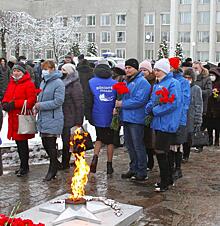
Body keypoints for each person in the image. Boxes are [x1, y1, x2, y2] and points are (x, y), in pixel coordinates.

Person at [145, 58, 181, 192]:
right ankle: (168, 178)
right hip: (158, 122)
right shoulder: (157, 83)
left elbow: (173, 103)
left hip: (167, 122)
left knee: (160, 151)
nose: (155, 72)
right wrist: (148, 108)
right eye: (155, 69)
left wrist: (155, 111)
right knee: (163, 151)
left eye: (158, 70)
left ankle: (165, 181)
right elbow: (153, 99)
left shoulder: (173, 83)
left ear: (165, 71)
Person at [117, 58, 151, 181]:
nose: (127, 70)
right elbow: (125, 96)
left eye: (130, 68)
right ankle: (133, 168)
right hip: (126, 117)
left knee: (138, 146)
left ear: (136, 68)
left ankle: (141, 171)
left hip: (136, 119)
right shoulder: (127, 81)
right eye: (126, 68)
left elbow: (140, 100)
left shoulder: (143, 82)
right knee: (130, 146)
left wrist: (122, 104)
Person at [2, 62, 37, 177]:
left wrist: (15, 104)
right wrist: (5, 103)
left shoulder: (28, 84)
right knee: (19, 143)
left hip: (22, 118)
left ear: (23, 72)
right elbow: (7, 96)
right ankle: (22, 166)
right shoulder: (12, 83)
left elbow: (31, 101)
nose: (16, 73)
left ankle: (25, 167)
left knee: (23, 144)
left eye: (18, 71)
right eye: (14, 71)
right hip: (13, 118)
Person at [34, 60, 65, 181]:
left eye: (47, 68)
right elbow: (41, 97)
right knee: (45, 144)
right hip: (43, 118)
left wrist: (40, 105)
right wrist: (36, 106)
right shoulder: (43, 82)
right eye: (43, 68)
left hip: (53, 118)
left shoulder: (58, 83)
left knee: (51, 145)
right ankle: (56, 163)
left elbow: (58, 101)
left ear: (53, 69)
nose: (45, 71)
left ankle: (52, 170)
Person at [85, 63, 117, 174]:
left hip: (97, 115)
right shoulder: (115, 83)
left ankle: (95, 157)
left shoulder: (91, 82)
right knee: (110, 141)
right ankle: (109, 165)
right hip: (111, 116)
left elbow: (88, 101)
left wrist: (89, 116)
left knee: (99, 138)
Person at [168, 57, 190, 180]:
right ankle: (170, 167)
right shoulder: (167, 79)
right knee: (169, 144)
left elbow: (185, 101)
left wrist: (179, 117)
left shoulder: (183, 82)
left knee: (177, 143)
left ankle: (177, 168)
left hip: (178, 117)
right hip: (168, 117)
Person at [61, 63, 84, 169]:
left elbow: (79, 103)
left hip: (71, 116)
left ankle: (70, 162)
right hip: (64, 116)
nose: (62, 72)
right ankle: (66, 162)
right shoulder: (62, 82)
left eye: (64, 70)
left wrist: (79, 121)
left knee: (69, 141)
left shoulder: (75, 84)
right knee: (65, 140)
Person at [182, 68, 203, 162]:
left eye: (189, 77)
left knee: (188, 137)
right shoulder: (181, 87)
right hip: (181, 115)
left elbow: (199, 104)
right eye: (185, 77)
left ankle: (186, 155)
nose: (187, 79)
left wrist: (198, 119)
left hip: (191, 116)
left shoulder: (196, 89)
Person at [139, 60, 156, 171]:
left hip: (150, 112)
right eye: (141, 70)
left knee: (149, 138)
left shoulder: (153, 82)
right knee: (142, 138)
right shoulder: (139, 81)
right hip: (140, 112)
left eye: (145, 70)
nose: (143, 72)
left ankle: (150, 160)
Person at [193, 61, 212, 152]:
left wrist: (199, 91)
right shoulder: (191, 79)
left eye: (196, 68)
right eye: (193, 68)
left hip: (203, 104)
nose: (195, 70)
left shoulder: (206, 79)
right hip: (192, 105)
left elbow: (209, 92)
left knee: (201, 125)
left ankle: (199, 144)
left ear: (201, 69)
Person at [206, 67, 220, 146]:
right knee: (209, 126)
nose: (212, 76)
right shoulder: (208, 83)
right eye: (210, 75)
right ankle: (210, 139)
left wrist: (217, 96)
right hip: (209, 108)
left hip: (217, 109)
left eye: (213, 75)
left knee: (217, 126)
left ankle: (217, 140)